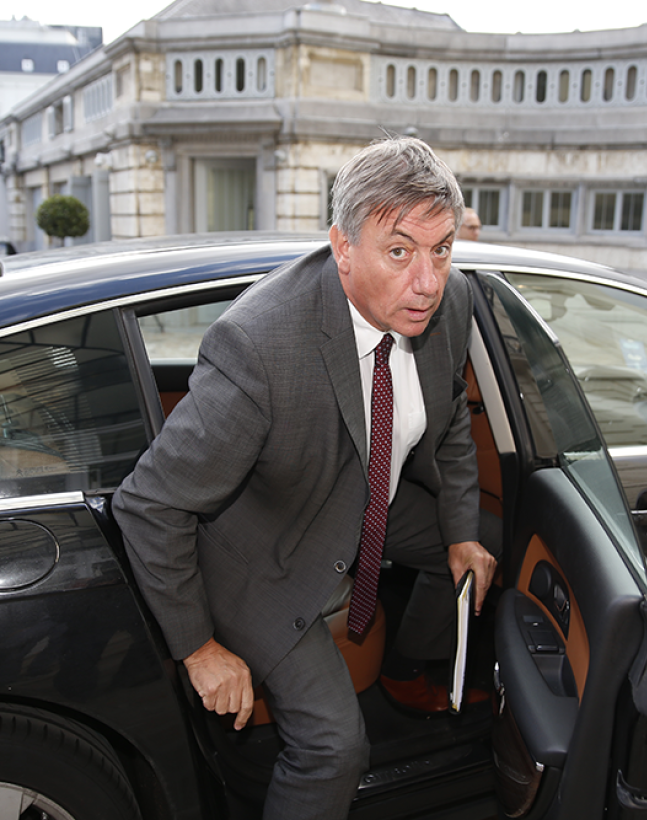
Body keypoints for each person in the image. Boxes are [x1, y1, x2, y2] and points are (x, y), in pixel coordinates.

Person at [112, 136, 497, 820]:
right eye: (401, 250)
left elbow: (451, 429)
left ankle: (410, 665)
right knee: (333, 747)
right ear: (342, 247)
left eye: (441, 251)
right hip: (263, 545)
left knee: (469, 547)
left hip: (357, 493)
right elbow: (149, 503)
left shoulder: (453, 303)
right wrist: (199, 647)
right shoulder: (261, 344)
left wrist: (462, 533)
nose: (428, 281)